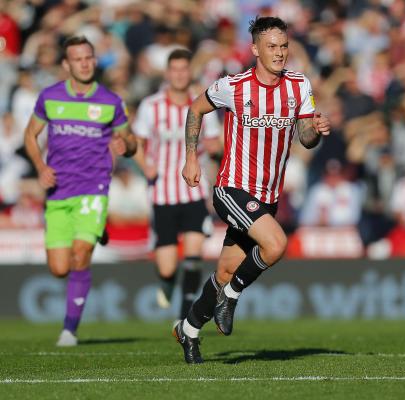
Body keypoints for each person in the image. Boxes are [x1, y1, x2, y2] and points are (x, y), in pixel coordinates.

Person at [173, 16, 331, 364]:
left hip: (267, 197)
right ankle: (231, 296)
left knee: (226, 270)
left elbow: (305, 139)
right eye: (272, 46)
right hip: (233, 188)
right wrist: (191, 158)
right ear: (256, 49)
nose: (279, 53)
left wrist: (316, 128)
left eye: (284, 46)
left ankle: (189, 328)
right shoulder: (234, 86)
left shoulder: (300, 86)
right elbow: (195, 109)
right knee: (276, 245)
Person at [23, 36, 137, 346]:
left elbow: (132, 141)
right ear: (66, 64)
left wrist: (124, 144)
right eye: (78, 59)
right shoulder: (50, 97)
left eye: (89, 57)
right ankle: (94, 230)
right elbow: (30, 135)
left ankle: (69, 330)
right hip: (59, 192)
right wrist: (40, 167)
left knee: (80, 254)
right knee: (60, 268)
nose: (85, 63)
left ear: (94, 60)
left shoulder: (110, 101)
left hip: (93, 187)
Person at [132, 49, 220, 321]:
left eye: (184, 69)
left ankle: (185, 319)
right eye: (175, 69)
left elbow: (216, 141)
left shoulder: (203, 104)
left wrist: (213, 149)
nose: (180, 74)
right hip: (162, 192)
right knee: (168, 267)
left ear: (189, 72)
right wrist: (144, 164)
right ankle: (167, 282)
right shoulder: (151, 106)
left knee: (193, 257)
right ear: (168, 73)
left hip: (193, 190)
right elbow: (137, 142)